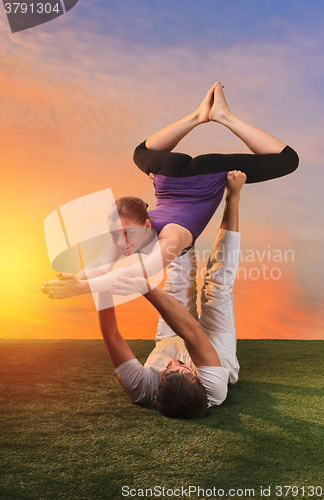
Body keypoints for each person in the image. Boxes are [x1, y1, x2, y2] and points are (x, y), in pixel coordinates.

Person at [41, 82, 298, 300]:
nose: (120, 243)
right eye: (116, 235)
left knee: (288, 160)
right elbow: (101, 266)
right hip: (168, 173)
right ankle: (198, 117)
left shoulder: (171, 238)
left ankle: (221, 116)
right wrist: (75, 278)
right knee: (141, 153)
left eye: (126, 234)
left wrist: (80, 289)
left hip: (207, 174)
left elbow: (136, 272)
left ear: (146, 222)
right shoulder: (128, 231)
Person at [98, 170, 246, 418]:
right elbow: (192, 333)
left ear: (156, 393)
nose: (176, 362)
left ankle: (173, 199)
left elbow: (111, 335)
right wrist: (144, 286)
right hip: (216, 354)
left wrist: (102, 286)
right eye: (185, 370)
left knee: (178, 276)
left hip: (168, 340)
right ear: (197, 381)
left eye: (167, 370)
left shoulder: (142, 389)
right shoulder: (213, 388)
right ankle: (234, 195)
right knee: (217, 287)